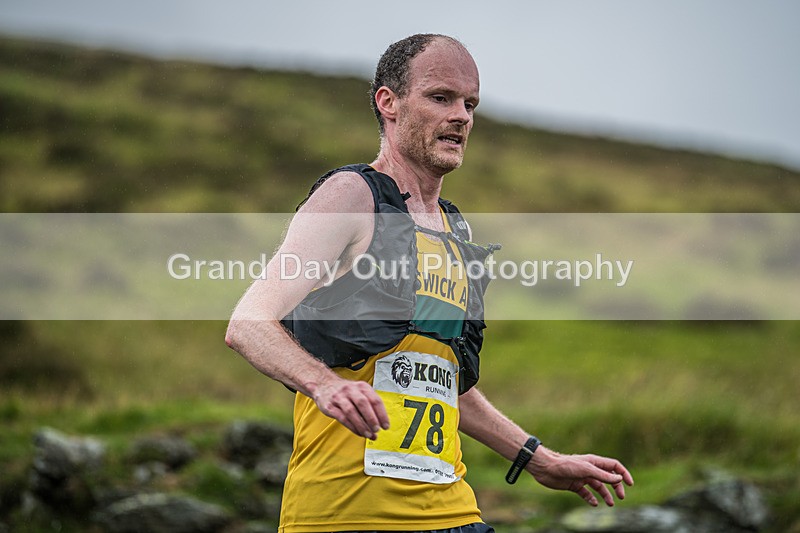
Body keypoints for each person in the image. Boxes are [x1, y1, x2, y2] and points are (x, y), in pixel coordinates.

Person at [226, 33, 633, 533]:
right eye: (441, 98)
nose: (461, 116)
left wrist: (540, 460)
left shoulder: (454, 228)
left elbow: (441, 381)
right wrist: (324, 385)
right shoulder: (352, 196)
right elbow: (248, 322)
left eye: (470, 103)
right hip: (346, 516)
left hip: (453, 512)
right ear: (389, 102)